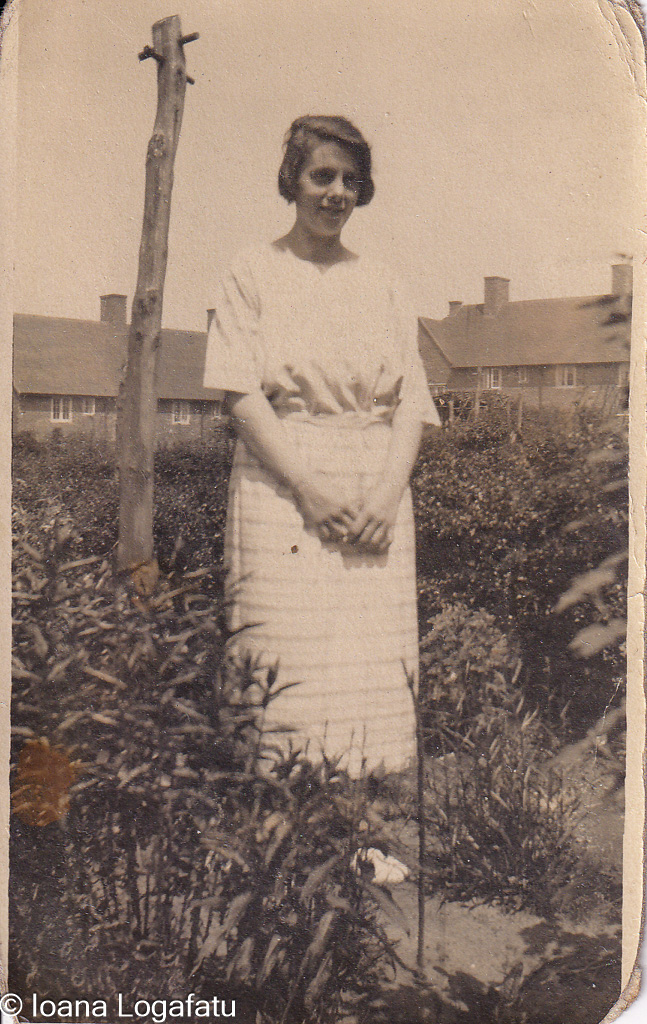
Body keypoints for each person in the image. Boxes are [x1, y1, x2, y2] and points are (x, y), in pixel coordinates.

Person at [204, 115, 440, 777]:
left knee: (365, 661)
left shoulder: (385, 283)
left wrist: (386, 497)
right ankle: (281, 821)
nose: (336, 192)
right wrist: (311, 490)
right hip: (282, 484)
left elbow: (410, 404)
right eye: (321, 176)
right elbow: (239, 393)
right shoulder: (252, 270)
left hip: (374, 488)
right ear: (293, 181)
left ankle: (365, 828)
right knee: (289, 656)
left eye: (349, 180)